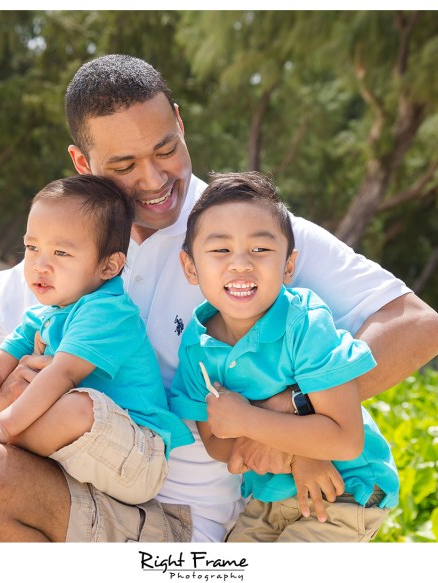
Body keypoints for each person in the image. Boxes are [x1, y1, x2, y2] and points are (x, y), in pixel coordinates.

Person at [0, 54, 438, 542]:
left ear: (181, 125)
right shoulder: (80, 246)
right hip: (68, 481)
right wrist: (10, 396)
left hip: (181, 521)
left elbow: (417, 326)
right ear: (82, 163)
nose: (154, 180)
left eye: (166, 150)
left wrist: (287, 417)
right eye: (124, 166)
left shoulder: (248, 234)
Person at [0, 175, 193, 506]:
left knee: (78, 405)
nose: (40, 265)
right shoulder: (43, 315)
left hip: (137, 458)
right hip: (78, 449)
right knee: (61, 404)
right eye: (32, 248)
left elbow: (61, 374)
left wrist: (2, 425)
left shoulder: (108, 311)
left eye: (61, 252)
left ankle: (0, 435)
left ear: (109, 265)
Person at [169, 172, 398, 542]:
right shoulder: (196, 345)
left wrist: (247, 419)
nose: (240, 264)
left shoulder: (304, 323)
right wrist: (294, 455)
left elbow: (345, 439)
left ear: (288, 266)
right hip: (267, 498)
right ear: (190, 267)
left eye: (260, 249)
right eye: (220, 250)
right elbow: (217, 442)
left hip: (342, 488)